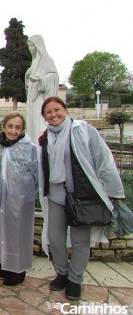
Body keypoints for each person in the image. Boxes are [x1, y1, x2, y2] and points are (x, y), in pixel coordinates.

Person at [38, 96, 124, 301]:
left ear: (65, 110)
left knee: (80, 241)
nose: (53, 114)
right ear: (44, 116)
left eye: (57, 110)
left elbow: (103, 159)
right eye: (48, 112)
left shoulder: (82, 130)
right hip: (56, 196)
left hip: (81, 197)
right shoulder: (45, 137)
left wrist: (115, 191)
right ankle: (63, 272)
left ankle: (75, 280)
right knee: (55, 239)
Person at [0, 112, 38, 286]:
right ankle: (4, 264)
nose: (13, 131)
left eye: (18, 127)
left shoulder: (30, 148)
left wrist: (24, 193)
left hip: (20, 200)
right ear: (4, 126)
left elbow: (37, 175)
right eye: (10, 126)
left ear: (22, 129)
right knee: (1, 231)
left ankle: (17, 271)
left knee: (17, 235)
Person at [25, 35, 59, 144]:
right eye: (29, 46)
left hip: (41, 99)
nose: (30, 49)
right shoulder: (34, 61)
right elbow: (29, 83)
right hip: (32, 99)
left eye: (32, 46)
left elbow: (54, 76)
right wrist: (27, 76)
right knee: (32, 125)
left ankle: (40, 145)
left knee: (40, 123)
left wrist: (41, 80)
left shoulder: (47, 60)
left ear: (38, 46)